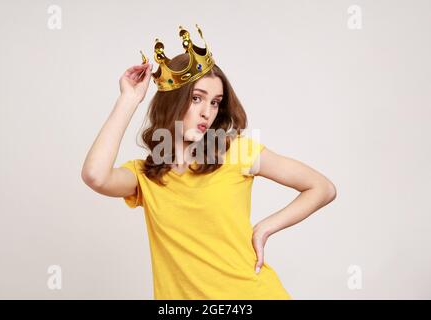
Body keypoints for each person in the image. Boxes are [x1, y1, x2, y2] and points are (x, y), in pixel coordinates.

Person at [81, 25, 337, 300]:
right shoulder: (145, 176)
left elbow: (322, 187)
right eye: (196, 98)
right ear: (171, 102)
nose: (207, 113)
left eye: (215, 102)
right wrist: (129, 99)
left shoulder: (236, 153)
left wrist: (265, 228)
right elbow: (95, 176)